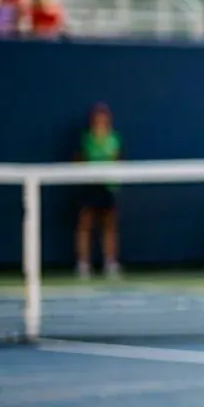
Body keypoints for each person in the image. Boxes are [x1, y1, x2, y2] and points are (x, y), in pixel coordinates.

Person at [75, 102, 122, 279]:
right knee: (85, 224)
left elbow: (117, 160)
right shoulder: (87, 139)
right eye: (98, 117)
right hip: (89, 186)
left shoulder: (114, 139)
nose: (101, 120)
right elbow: (81, 159)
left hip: (108, 187)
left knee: (109, 225)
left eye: (104, 117)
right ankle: (83, 264)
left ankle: (110, 263)